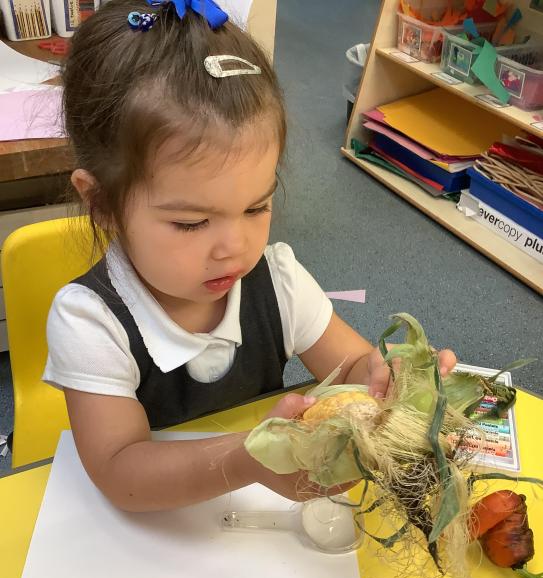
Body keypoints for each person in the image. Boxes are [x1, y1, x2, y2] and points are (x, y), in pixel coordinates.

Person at [43, 0, 456, 512]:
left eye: (256, 207)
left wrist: (387, 382)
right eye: (191, 222)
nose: (236, 248)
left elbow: (352, 365)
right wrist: (247, 460)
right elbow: (119, 471)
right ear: (102, 203)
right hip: (151, 537)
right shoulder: (89, 321)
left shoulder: (276, 280)